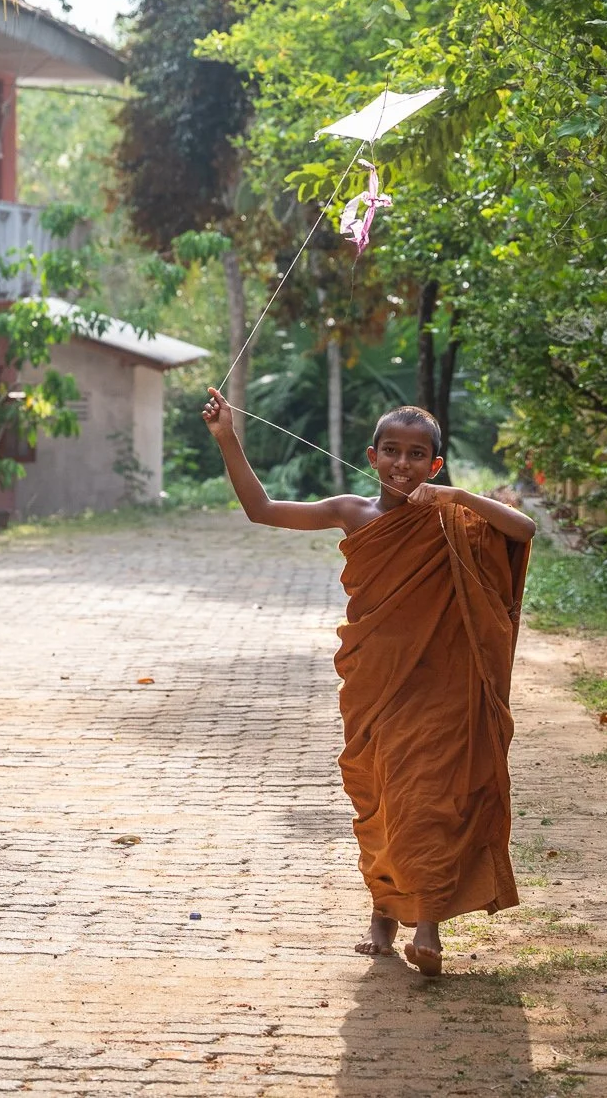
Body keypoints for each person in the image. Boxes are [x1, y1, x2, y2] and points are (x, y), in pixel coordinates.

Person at [201, 389, 536, 975]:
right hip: (377, 684)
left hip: (443, 684)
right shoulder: (355, 512)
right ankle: (384, 910)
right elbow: (264, 509)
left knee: (430, 798)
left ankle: (427, 926)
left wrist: (458, 495)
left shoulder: (455, 517)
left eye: (416, 455)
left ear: (435, 464)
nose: (402, 464)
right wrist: (229, 438)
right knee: (380, 796)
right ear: (372, 455)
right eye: (391, 452)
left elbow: (524, 528)